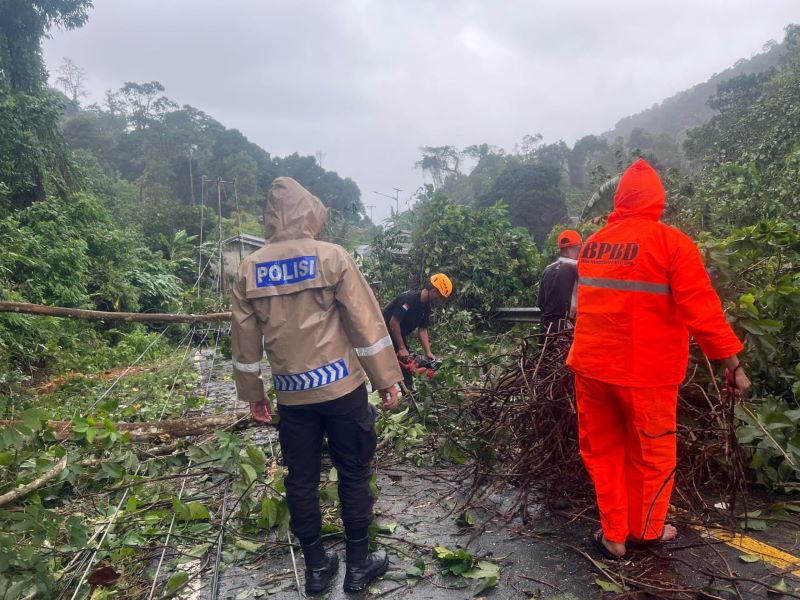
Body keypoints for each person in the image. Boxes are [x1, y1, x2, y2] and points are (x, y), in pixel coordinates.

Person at [566, 159, 751, 561]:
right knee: (652, 454)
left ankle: (614, 535)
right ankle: (647, 529)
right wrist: (731, 363)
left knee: (604, 451)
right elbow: (702, 310)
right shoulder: (672, 244)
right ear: (657, 200)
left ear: (619, 199)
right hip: (645, 373)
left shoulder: (594, 243)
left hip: (592, 368)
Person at [230, 177, 403, 594]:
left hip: (292, 397)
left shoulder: (249, 269)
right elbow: (365, 323)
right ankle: (359, 567)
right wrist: (386, 378)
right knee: (354, 473)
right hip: (343, 390)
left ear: (270, 218)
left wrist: (254, 394)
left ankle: (315, 569)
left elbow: (244, 342)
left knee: (301, 480)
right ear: (310, 211)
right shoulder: (332, 257)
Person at [382, 274, 452, 388]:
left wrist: (428, 352)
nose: (439, 301)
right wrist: (401, 348)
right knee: (392, 366)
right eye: (440, 297)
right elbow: (393, 322)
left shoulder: (426, 307)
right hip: (383, 333)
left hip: (396, 334)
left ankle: (409, 394)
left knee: (407, 364)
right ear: (434, 291)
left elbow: (423, 330)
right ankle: (399, 395)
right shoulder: (409, 299)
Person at [537, 229, 583, 340]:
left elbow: (541, 303)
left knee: (545, 357)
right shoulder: (579, 268)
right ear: (578, 247)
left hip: (545, 328)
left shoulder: (547, 269)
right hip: (565, 329)